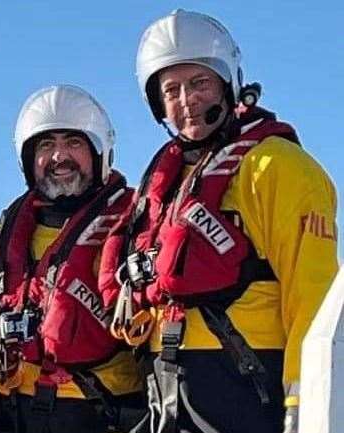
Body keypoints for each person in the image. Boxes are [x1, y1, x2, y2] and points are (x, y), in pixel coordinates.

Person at [99, 9, 338, 433]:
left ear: (229, 84)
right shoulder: (165, 184)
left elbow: (314, 297)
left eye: (200, 83)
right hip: (168, 389)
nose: (186, 100)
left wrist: (304, 402)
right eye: (170, 90)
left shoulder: (278, 167)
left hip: (244, 385)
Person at [0, 84, 145, 433]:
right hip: (15, 414)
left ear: (99, 151)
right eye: (47, 145)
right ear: (28, 160)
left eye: (73, 142)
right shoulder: (3, 236)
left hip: (102, 414)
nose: (60, 156)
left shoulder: (137, 220)